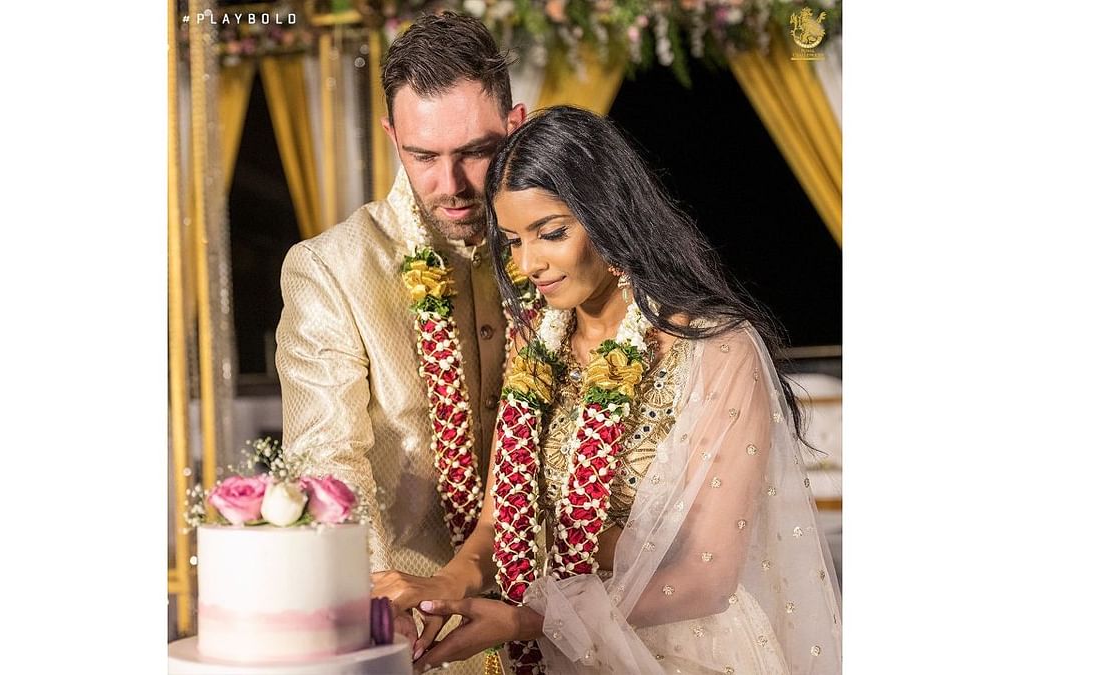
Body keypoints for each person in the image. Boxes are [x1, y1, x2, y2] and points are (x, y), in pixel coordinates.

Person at [394, 106, 842, 674]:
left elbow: (708, 577)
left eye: (551, 233)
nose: (529, 263)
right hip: (555, 652)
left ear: (609, 214)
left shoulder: (716, 350)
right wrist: (442, 590)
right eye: (512, 241)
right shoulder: (539, 342)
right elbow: (497, 522)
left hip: (683, 654)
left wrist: (531, 618)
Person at [274, 13, 525, 673]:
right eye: (423, 156)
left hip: (566, 610)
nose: (452, 184)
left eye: (476, 150)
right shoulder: (331, 268)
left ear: (517, 123)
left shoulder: (559, 248)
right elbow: (329, 461)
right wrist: (390, 605)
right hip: (420, 634)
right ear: (392, 137)